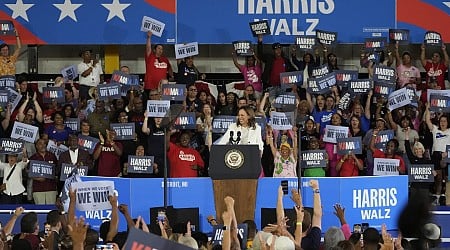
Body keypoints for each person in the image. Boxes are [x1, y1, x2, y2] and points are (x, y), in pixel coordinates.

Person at [424, 103, 450, 203]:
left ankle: (446, 196)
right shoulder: (435, 130)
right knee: (438, 177)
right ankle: (437, 197)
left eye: (444, 121)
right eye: (441, 121)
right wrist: (427, 109)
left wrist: (446, 154)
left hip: (447, 155)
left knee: (446, 178)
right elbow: (427, 121)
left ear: (448, 122)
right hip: (436, 155)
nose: (442, 123)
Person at [29, 138, 58, 205]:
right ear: (36, 146)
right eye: (40, 144)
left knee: (51, 211)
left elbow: (57, 170)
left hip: (51, 188)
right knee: (40, 212)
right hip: (38, 189)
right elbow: (27, 173)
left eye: (44, 144)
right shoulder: (33, 158)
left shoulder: (52, 156)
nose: (43, 145)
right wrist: (36, 178)